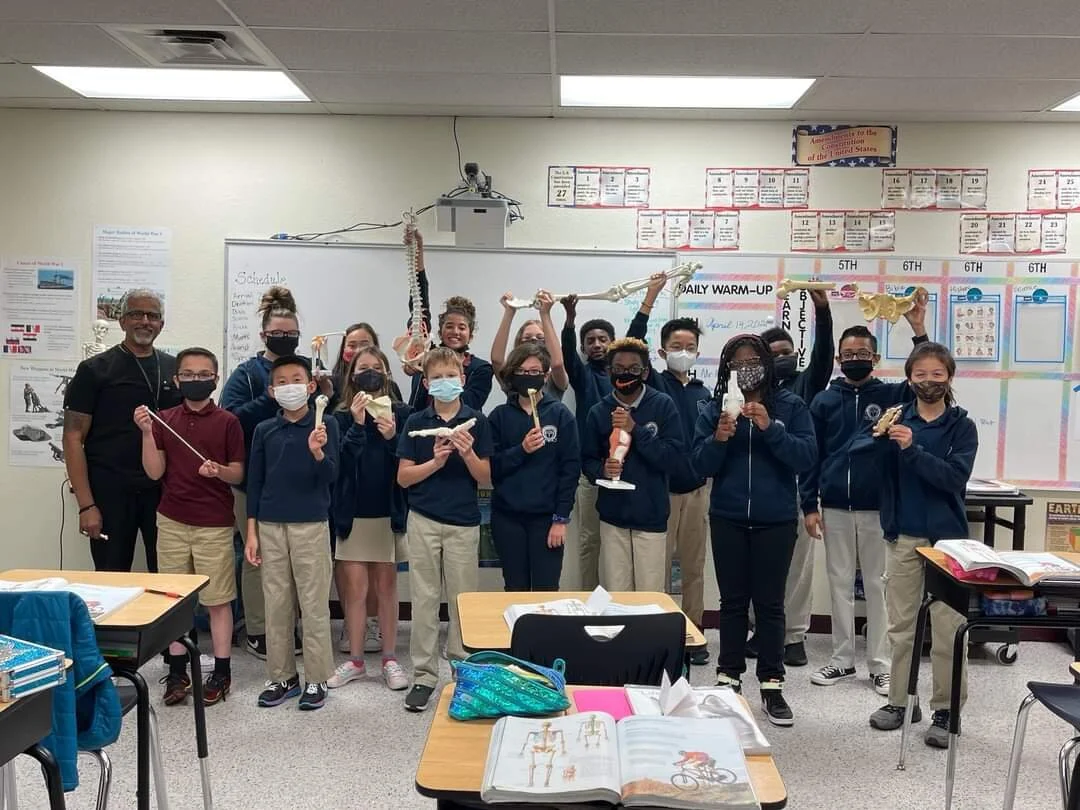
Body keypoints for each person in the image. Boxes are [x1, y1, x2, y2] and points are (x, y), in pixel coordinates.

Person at [801, 306, 930, 697]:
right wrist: (809, 505)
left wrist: (918, 329)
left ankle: (880, 664)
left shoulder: (892, 395)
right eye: (848, 354)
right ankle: (842, 659)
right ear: (838, 359)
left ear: (875, 357)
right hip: (834, 505)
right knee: (839, 583)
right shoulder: (824, 401)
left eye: (862, 353)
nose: (855, 359)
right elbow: (811, 457)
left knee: (877, 585)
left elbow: (924, 375)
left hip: (878, 507)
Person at [692, 334, 816, 728]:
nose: (746, 369)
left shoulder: (791, 406)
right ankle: (728, 678)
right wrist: (718, 439)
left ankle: (772, 684)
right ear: (726, 369)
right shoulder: (713, 408)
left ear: (766, 364)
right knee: (732, 603)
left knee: (770, 604)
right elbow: (699, 464)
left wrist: (770, 427)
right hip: (727, 515)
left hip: (775, 518)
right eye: (737, 363)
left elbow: (806, 457)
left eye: (753, 362)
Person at [861, 343, 977, 749]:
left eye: (937, 374)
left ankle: (946, 710)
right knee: (901, 627)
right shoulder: (896, 418)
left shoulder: (961, 426)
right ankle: (900, 701)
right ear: (909, 379)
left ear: (950, 377)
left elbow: (952, 479)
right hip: (903, 535)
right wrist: (879, 443)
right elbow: (878, 474)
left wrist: (913, 450)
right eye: (921, 374)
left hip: (948, 542)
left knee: (948, 629)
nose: (929, 381)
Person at [134, 348, 245, 707]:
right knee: (174, 603)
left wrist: (219, 471)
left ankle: (222, 671)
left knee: (218, 600)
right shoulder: (164, 419)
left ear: (215, 378)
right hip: (172, 521)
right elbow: (154, 472)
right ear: (176, 379)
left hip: (214, 523)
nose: (196, 380)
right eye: (188, 374)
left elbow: (237, 473)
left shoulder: (228, 421)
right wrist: (147, 433)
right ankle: (178, 671)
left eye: (204, 374)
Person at [221, 286, 323, 659]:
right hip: (255, 480)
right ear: (264, 335)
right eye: (277, 333)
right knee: (259, 557)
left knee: (297, 559)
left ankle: (289, 625)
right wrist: (270, 396)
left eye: (291, 333)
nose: (285, 338)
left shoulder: (307, 369)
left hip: (301, 480)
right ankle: (259, 629)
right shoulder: (248, 374)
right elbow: (229, 419)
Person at [397, 347, 493, 713]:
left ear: (463, 380)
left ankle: (462, 672)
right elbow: (404, 478)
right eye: (436, 378)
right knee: (423, 599)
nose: (444, 382)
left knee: (461, 601)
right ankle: (423, 676)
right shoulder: (416, 421)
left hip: (463, 522)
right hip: (423, 518)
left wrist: (467, 454)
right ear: (426, 384)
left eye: (450, 376)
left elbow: (486, 478)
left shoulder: (477, 421)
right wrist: (435, 462)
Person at [63, 288, 182, 572]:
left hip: (162, 492)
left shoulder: (174, 368)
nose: (145, 321)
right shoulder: (94, 369)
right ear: (122, 321)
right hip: (109, 492)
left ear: (161, 324)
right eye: (136, 314)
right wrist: (86, 505)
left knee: (168, 577)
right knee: (111, 578)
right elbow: (72, 437)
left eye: (152, 316)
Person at [245, 355, 339, 711]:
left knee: (313, 604)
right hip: (270, 525)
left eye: (296, 380)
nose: (289, 387)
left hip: (310, 524)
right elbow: (255, 481)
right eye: (281, 382)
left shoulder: (325, 424)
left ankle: (316, 678)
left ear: (311, 386)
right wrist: (252, 531)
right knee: (276, 604)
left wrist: (317, 452)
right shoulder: (264, 430)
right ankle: (282, 676)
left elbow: (332, 476)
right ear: (271, 391)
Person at [627, 276, 712, 665]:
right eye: (676, 347)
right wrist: (650, 298)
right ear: (661, 352)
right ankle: (661, 635)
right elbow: (633, 344)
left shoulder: (703, 394)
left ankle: (693, 634)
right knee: (657, 571)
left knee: (694, 568)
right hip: (661, 492)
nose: (684, 352)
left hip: (696, 492)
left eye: (690, 347)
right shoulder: (656, 384)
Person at [752, 289, 833, 667]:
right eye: (774, 354)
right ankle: (761, 630)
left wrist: (822, 310)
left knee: (798, 568)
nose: (782, 358)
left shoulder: (806, 385)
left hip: (800, 491)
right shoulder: (750, 392)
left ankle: (794, 635)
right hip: (759, 493)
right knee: (760, 568)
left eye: (787, 352)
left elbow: (823, 356)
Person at [328, 346, 410, 692]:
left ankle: (390, 658)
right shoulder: (340, 416)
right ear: (352, 375)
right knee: (355, 590)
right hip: (352, 513)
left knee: (387, 588)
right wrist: (358, 425)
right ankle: (357, 660)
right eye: (363, 367)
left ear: (387, 373)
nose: (370, 372)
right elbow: (340, 464)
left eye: (377, 367)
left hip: (388, 513)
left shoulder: (401, 413)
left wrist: (392, 437)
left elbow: (406, 462)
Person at [582, 337, 683, 592]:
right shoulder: (598, 411)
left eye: (633, 369)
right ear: (609, 371)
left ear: (645, 372)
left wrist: (635, 429)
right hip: (612, 517)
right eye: (618, 368)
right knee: (616, 591)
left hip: (651, 516)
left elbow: (672, 459)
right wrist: (602, 470)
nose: (625, 374)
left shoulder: (663, 405)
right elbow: (587, 461)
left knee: (650, 593)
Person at [487, 343, 580, 591]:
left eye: (534, 371)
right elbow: (491, 468)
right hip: (507, 518)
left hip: (547, 519)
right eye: (522, 371)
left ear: (546, 375)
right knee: (514, 588)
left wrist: (561, 519)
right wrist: (521, 450)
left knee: (546, 588)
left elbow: (570, 471)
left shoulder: (560, 415)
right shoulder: (499, 416)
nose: (528, 376)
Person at [560, 296, 616, 589]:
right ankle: (589, 598)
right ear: (584, 348)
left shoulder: (627, 378)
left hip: (626, 470)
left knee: (620, 541)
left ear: (613, 344)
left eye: (603, 339)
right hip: (590, 472)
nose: (597, 344)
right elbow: (567, 355)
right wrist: (570, 321)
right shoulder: (583, 377)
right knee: (590, 540)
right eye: (590, 341)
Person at [490, 291, 569, 400]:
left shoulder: (552, 377)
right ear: (519, 343)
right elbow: (497, 361)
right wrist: (509, 312)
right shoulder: (513, 374)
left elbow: (557, 364)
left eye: (540, 337)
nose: (534, 340)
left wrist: (545, 314)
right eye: (527, 338)